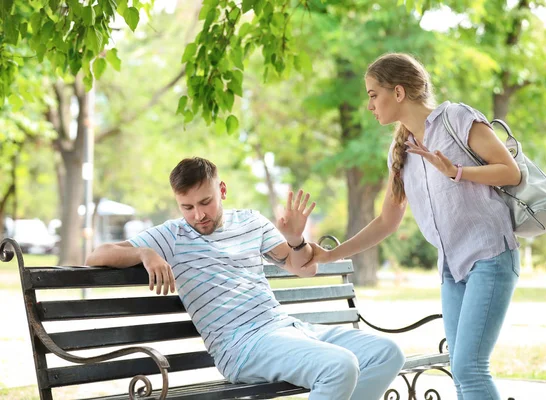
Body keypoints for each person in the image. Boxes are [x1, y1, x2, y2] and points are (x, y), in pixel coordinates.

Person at [86, 157, 405, 400]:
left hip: (286, 329)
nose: (198, 215)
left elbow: (303, 267)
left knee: (388, 353)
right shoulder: (172, 235)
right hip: (241, 348)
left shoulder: (251, 222)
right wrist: (145, 254)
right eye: (187, 207)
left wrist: (295, 238)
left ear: (221, 190)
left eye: (205, 202)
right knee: (340, 366)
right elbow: (97, 255)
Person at [308, 53, 522, 400]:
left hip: (491, 256)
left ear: (398, 92)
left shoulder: (457, 118)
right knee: (462, 371)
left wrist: (457, 171)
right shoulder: (401, 149)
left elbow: (510, 171)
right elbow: (387, 221)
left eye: (373, 95)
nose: (369, 105)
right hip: (451, 268)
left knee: (470, 368)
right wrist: (331, 256)